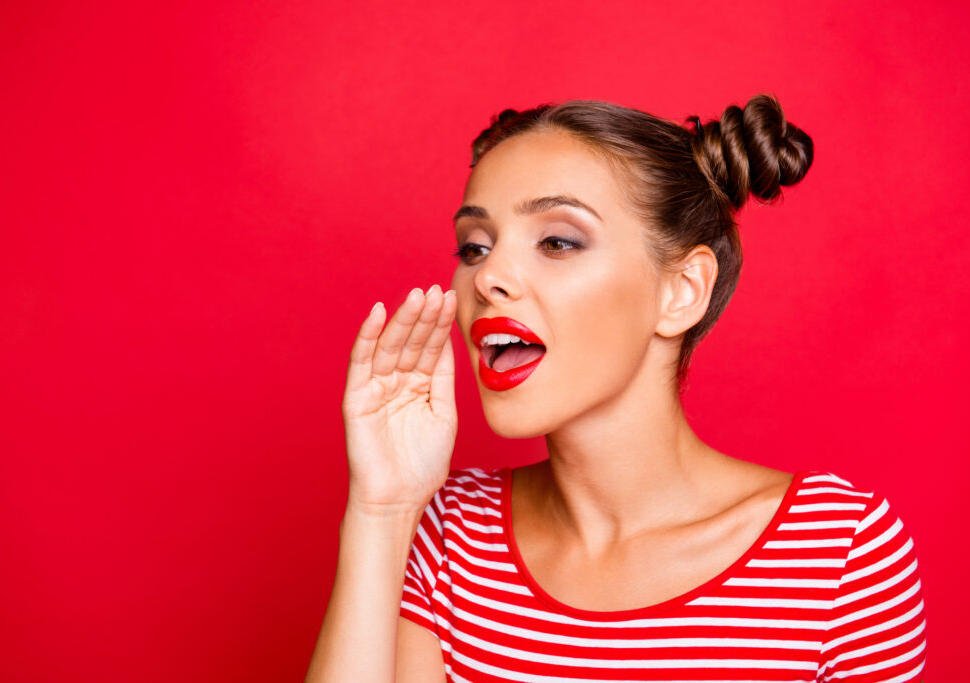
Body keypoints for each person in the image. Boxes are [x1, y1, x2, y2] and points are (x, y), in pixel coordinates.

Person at [305, 95, 927, 682]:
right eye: (474, 246)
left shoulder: (838, 555)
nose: (489, 275)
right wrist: (381, 511)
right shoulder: (448, 537)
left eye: (556, 241)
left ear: (680, 292)